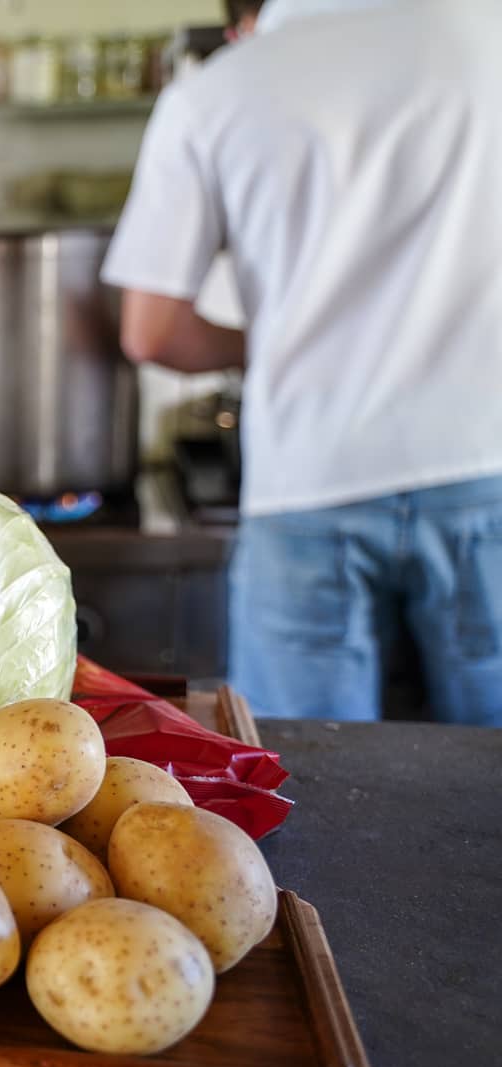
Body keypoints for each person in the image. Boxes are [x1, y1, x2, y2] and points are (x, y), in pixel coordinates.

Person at [102, 0, 502, 724]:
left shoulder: (214, 91)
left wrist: (272, 342)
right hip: (484, 459)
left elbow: (152, 333)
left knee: (309, 780)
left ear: (242, 20)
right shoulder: (484, 33)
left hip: (311, 478)